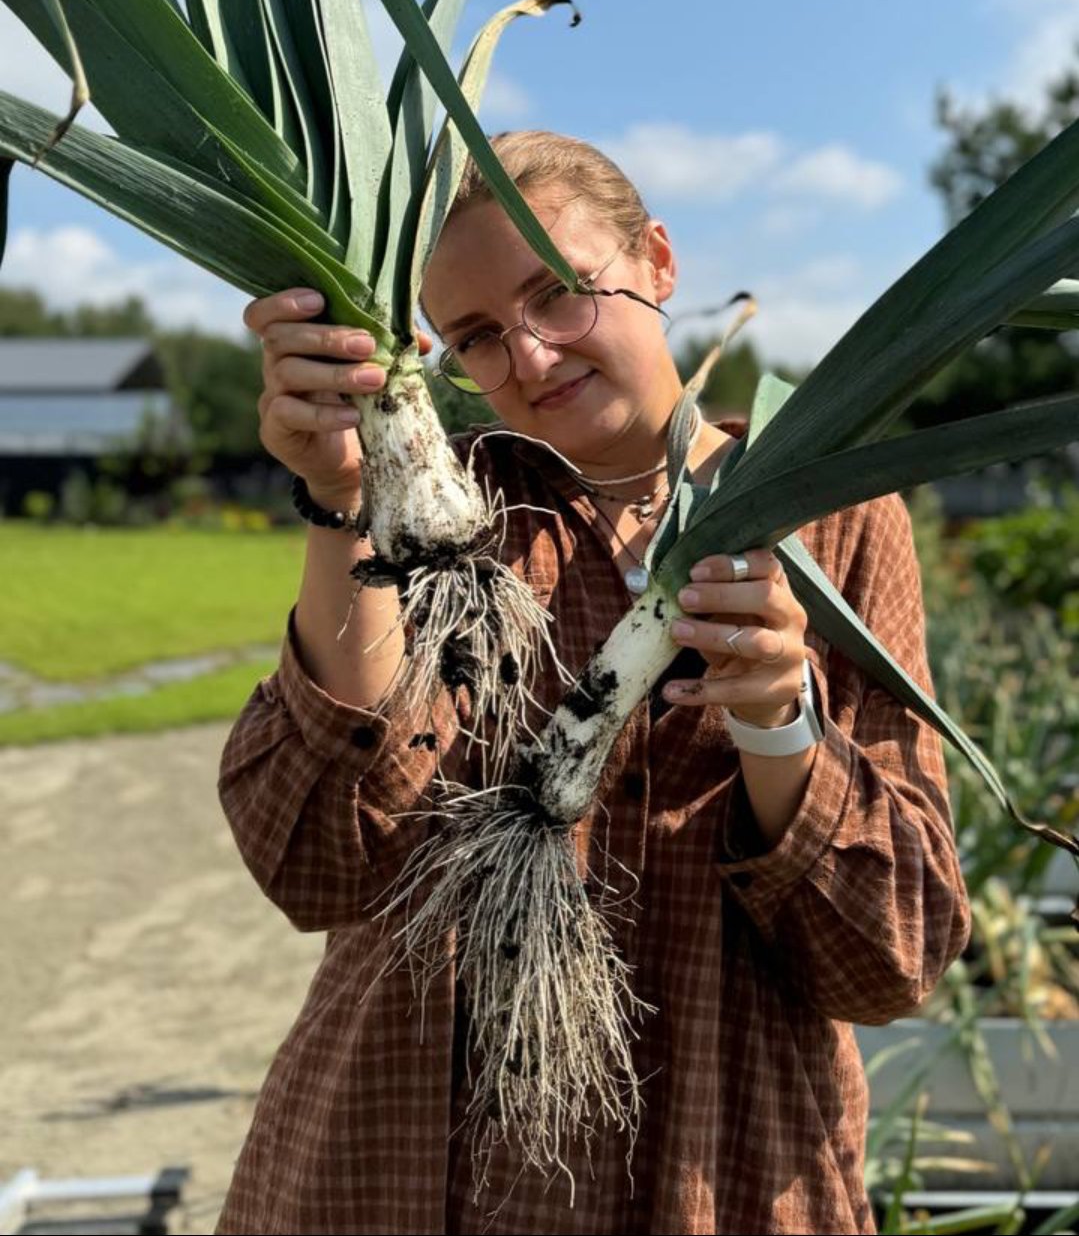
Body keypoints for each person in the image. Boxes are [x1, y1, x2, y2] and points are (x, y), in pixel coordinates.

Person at [214, 130, 971, 1236]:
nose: (524, 357)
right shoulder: (448, 504)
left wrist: (774, 719)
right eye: (474, 336)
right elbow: (318, 862)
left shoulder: (836, 523)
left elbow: (888, 958)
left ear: (656, 261)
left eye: (557, 293)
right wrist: (343, 494)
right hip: (395, 1172)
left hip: (711, 1171)